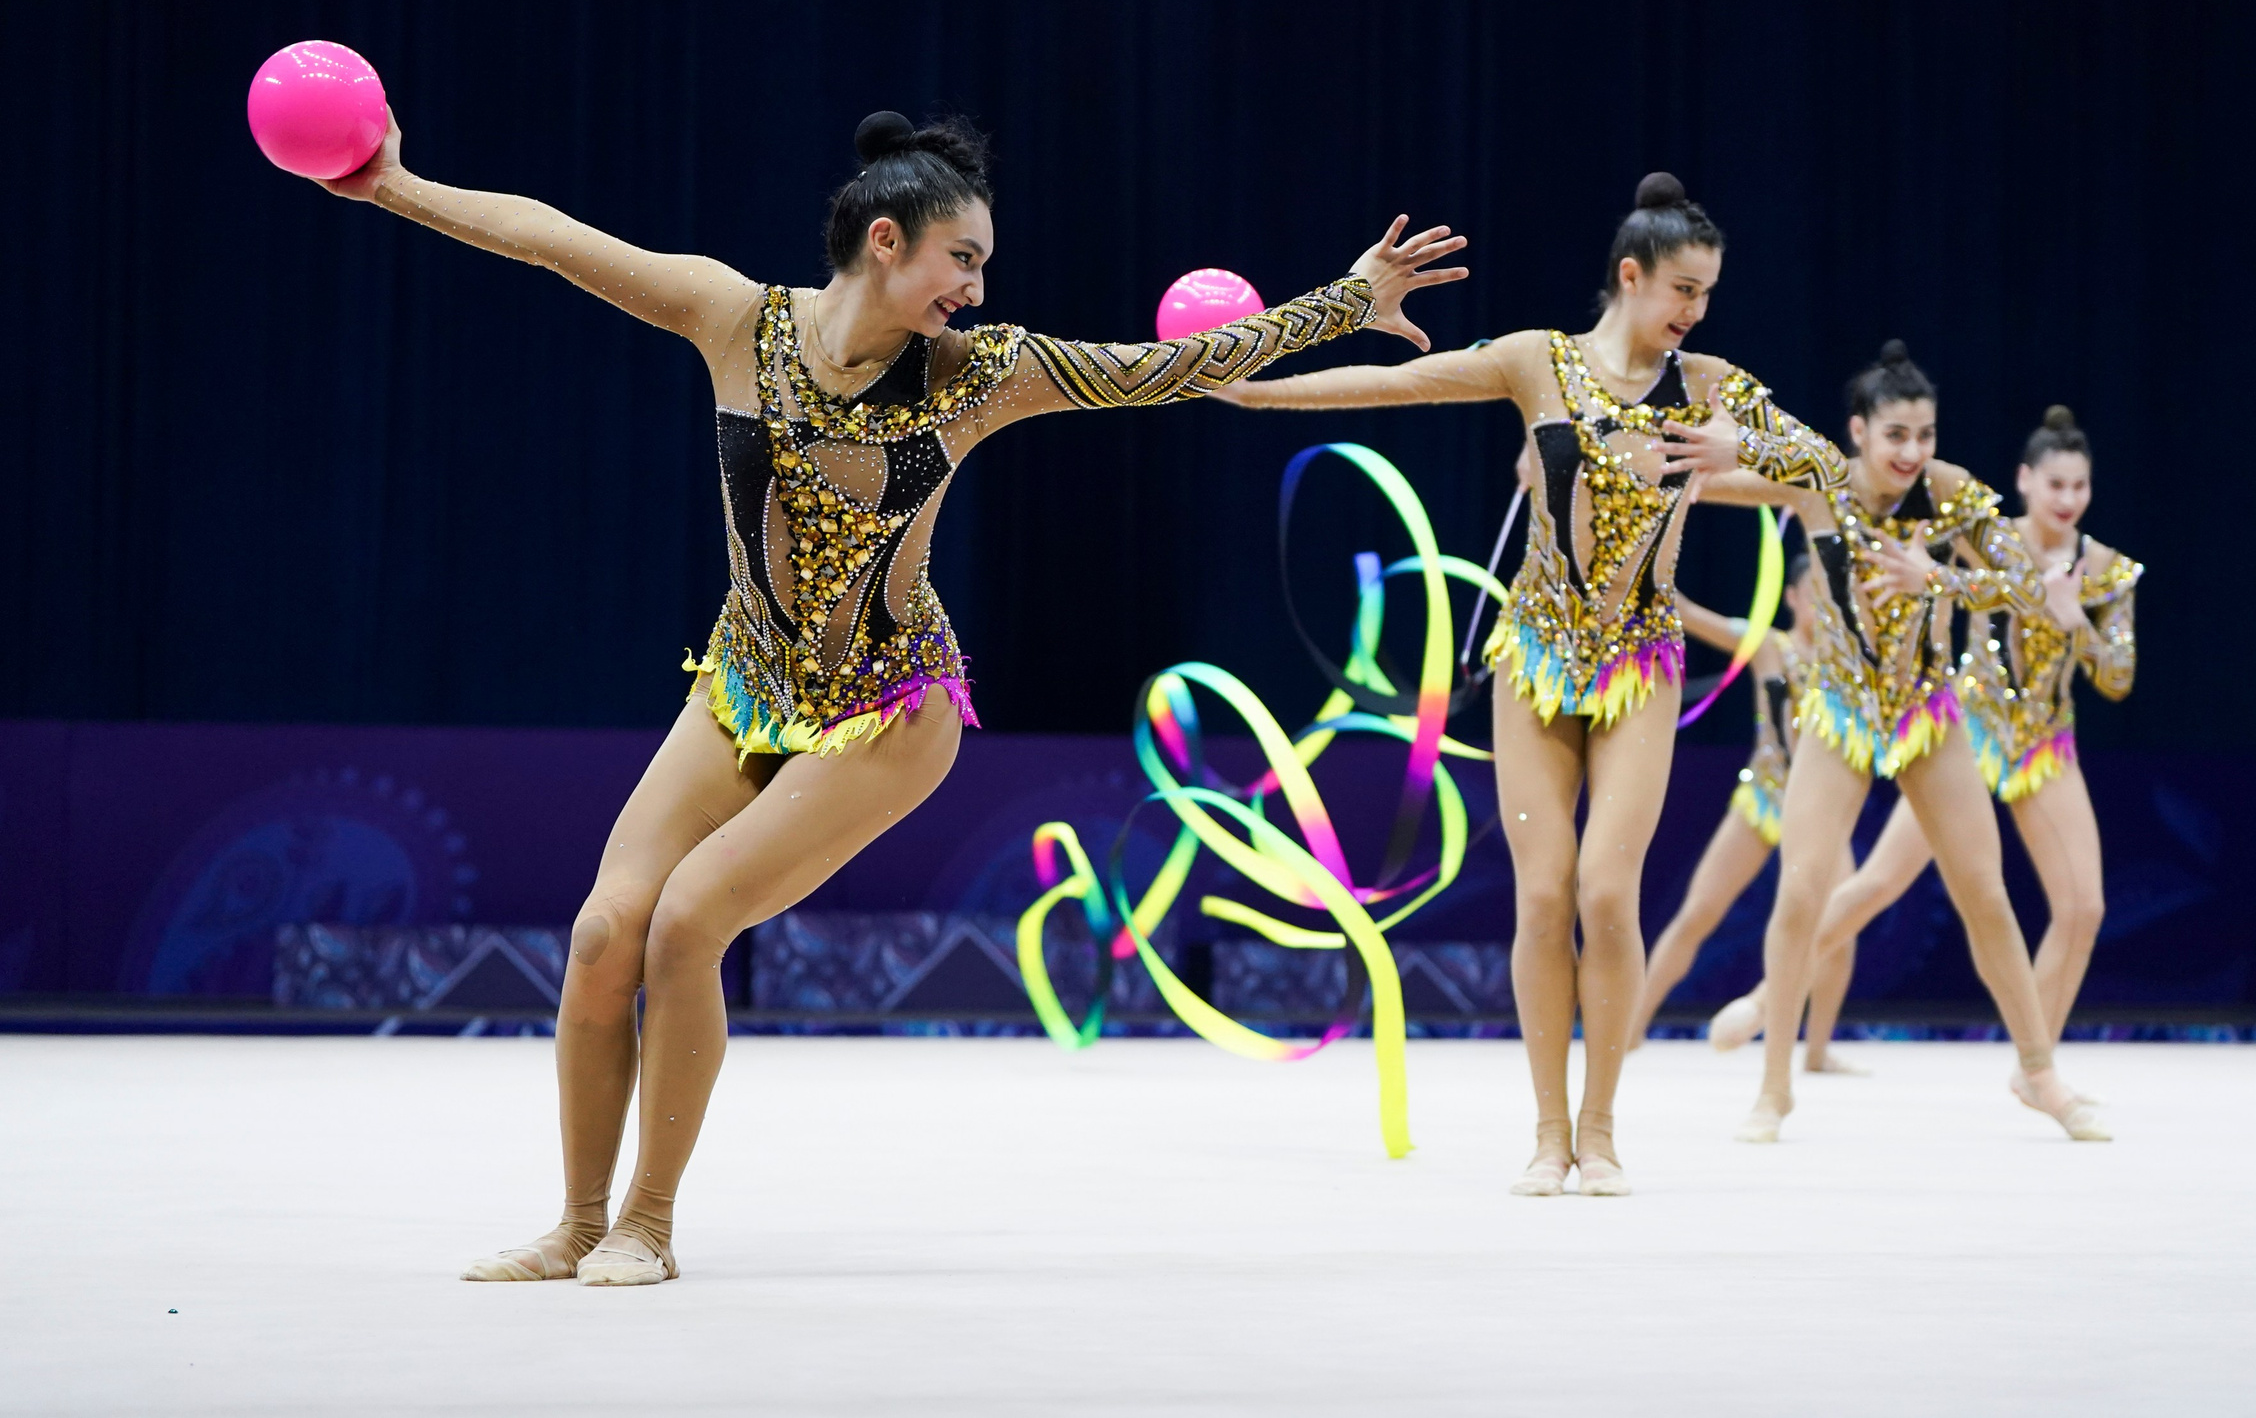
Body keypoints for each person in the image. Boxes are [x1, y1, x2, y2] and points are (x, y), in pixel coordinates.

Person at [309, 106, 1468, 1283]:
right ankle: (574, 1222)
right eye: (961, 259)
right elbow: (555, 238)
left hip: (888, 705)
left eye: (982, 268)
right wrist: (397, 185)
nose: (974, 285)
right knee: (606, 928)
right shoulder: (732, 318)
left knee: (688, 921)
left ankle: (647, 1224)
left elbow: (1164, 369)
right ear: (884, 241)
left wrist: (1344, 300)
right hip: (746, 678)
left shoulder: (983, 374)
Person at [1218, 172, 1846, 1194]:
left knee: (1607, 889)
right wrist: (1254, 388)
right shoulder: (1536, 362)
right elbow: (1391, 387)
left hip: (1640, 657)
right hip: (1538, 655)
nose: (1692, 311)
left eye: (1707, 295)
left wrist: (1749, 444)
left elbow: (1830, 465)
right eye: (1680, 288)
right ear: (1629, 275)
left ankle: (1601, 1130)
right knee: (1544, 891)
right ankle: (1548, 1133)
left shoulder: (1712, 385)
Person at [1699, 344, 2108, 1142]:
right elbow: (1700, 480)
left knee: (1985, 895)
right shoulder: (1816, 479)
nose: (1912, 451)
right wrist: (1576, 467)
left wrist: (1943, 582)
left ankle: (2042, 1073)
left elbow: (2028, 585)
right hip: (1842, 711)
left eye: (1924, 433)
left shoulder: (1948, 489)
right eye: (1896, 434)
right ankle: (1774, 1089)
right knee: (1801, 889)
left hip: (1928, 714)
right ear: (1857, 430)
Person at [1801, 406, 2141, 1056]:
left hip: (2046, 741)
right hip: (1972, 728)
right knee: (1878, 883)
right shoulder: (1984, 535)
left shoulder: (2107, 568)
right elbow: (1950, 577)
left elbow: (2119, 678)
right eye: (2055, 484)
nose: (2068, 499)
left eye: (2080, 485)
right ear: (2025, 480)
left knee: (2084, 908)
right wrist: (1936, 577)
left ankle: (2034, 1060)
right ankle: (1773, 990)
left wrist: (2079, 625)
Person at [1626, 547, 1861, 1071]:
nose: (1825, 606)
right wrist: (1653, 560)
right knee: (1697, 914)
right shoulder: (1768, 647)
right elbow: (1685, 612)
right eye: (1814, 595)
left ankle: (1817, 1052)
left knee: (1841, 927)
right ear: (1794, 597)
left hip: (1820, 808)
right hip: (1764, 797)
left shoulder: (1849, 659)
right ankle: (1631, 1027)